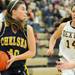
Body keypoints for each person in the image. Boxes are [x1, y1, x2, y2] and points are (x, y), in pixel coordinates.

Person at [0, 0, 36, 75]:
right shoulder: (1, 26)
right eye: (23, 9)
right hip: (3, 70)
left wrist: (15, 58)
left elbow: (32, 52)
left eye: (26, 9)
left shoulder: (28, 29)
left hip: (20, 69)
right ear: (14, 11)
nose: (25, 12)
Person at [48, 4, 75, 75]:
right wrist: (51, 48)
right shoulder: (64, 26)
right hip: (64, 61)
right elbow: (54, 37)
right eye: (73, 11)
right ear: (71, 13)